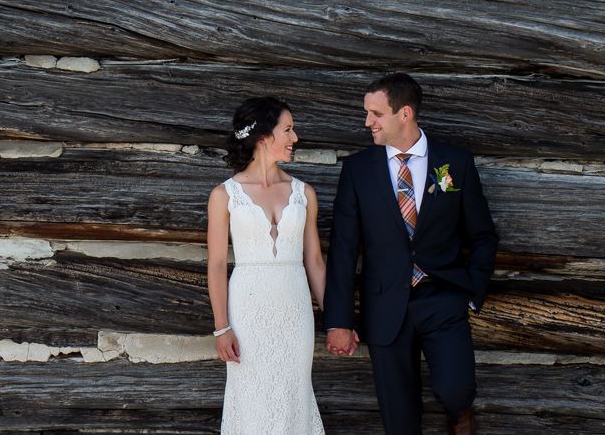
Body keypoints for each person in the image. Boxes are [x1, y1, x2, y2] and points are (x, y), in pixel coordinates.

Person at [324, 71, 497, 435]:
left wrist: (472, 293)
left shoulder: (454, 162)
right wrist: (339, 320)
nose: (367, 121)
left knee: (456, 390)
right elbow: (343, 249)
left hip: (444, 299)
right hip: (385, 306)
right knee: (399, 420)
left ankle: (460, 416)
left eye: (375, 114)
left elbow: (482, 235)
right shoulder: (357, 170)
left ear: (404, 114)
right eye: (366, 113)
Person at [207, 96, 327, 435]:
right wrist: (221, 327)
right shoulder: (224, 195)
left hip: (295, 313)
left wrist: (335, 319)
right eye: (288, 130)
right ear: (263, 137)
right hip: (248, 313)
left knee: (294, 394)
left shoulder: (304, 193)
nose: (295, 138)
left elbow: (315, 261)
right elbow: (216, 265)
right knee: (252, 398)